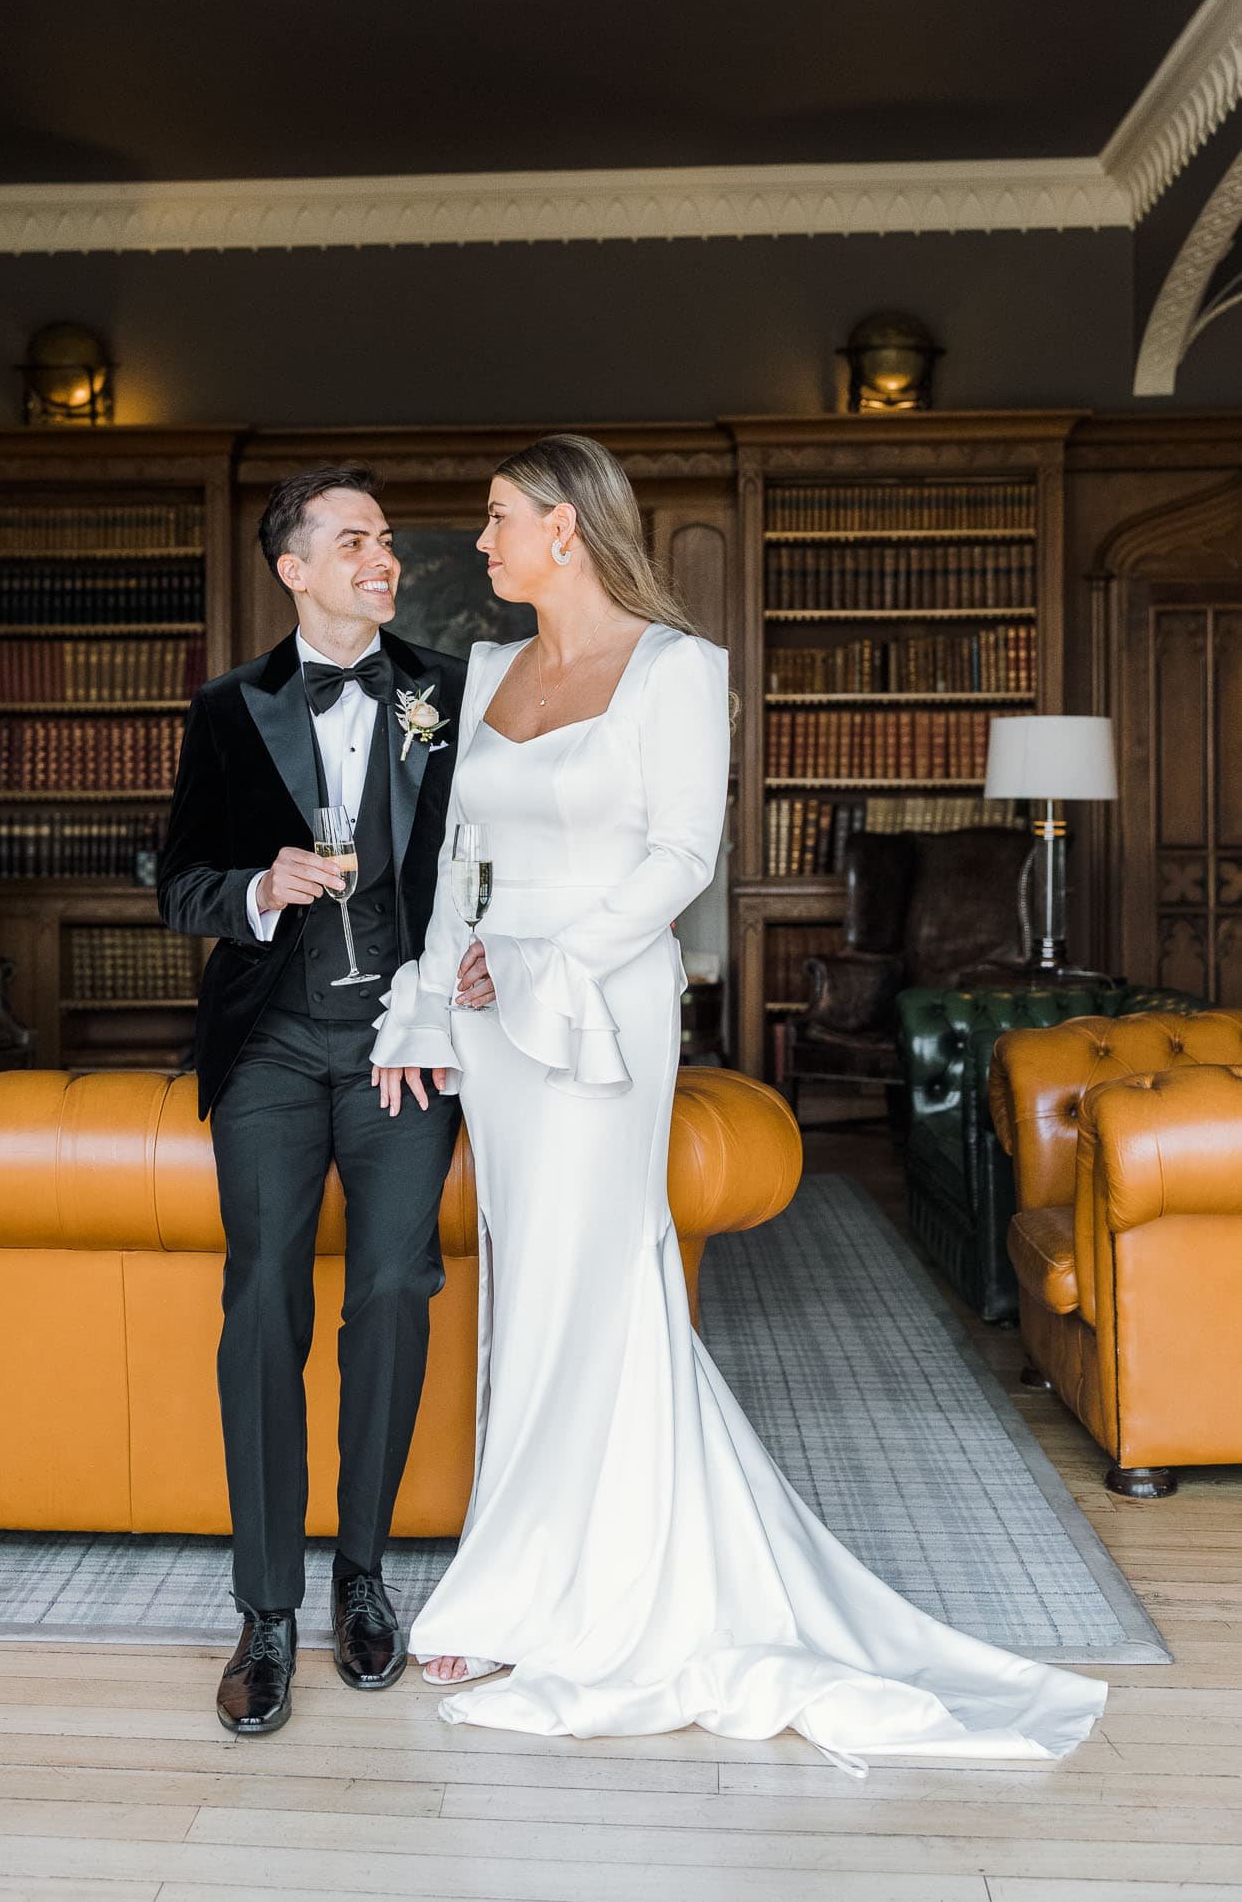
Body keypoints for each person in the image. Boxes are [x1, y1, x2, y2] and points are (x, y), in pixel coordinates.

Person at [369, 431, 1108, 1777]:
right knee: (523, 1277)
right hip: (492, 1010)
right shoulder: (480, 671)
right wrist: (425, 1007)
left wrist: (547, 956)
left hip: (599, 997)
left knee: (600, 1273)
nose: (477, 546)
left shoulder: (677, 667)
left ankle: (576, 1590)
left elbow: (679, 857)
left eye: (494, 520)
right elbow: (451, 857)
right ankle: (512, 1576)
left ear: (565, 528)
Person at [158, 465, 465, 1737]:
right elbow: (178, 882)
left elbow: (484, 864)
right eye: (353, 542)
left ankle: (364, 1580)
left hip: (404, 1046)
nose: (379, 557)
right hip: (275, 1046)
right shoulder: (228, 711)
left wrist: (451, 985)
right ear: (294, 568)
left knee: (395, 1287)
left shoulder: (448, 694)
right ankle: (267, 1612)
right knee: (264, 1295)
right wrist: (257, 891)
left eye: (385, 539)